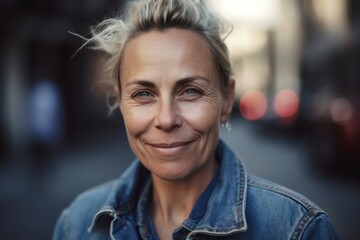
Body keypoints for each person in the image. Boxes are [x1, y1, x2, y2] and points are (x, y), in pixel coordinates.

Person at [53, 0, 340, 239]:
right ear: (120, 101)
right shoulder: (78, 224)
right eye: (143, 94)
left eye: (190, 91)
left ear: (226, 100)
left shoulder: (298, 229)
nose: (166, 119)